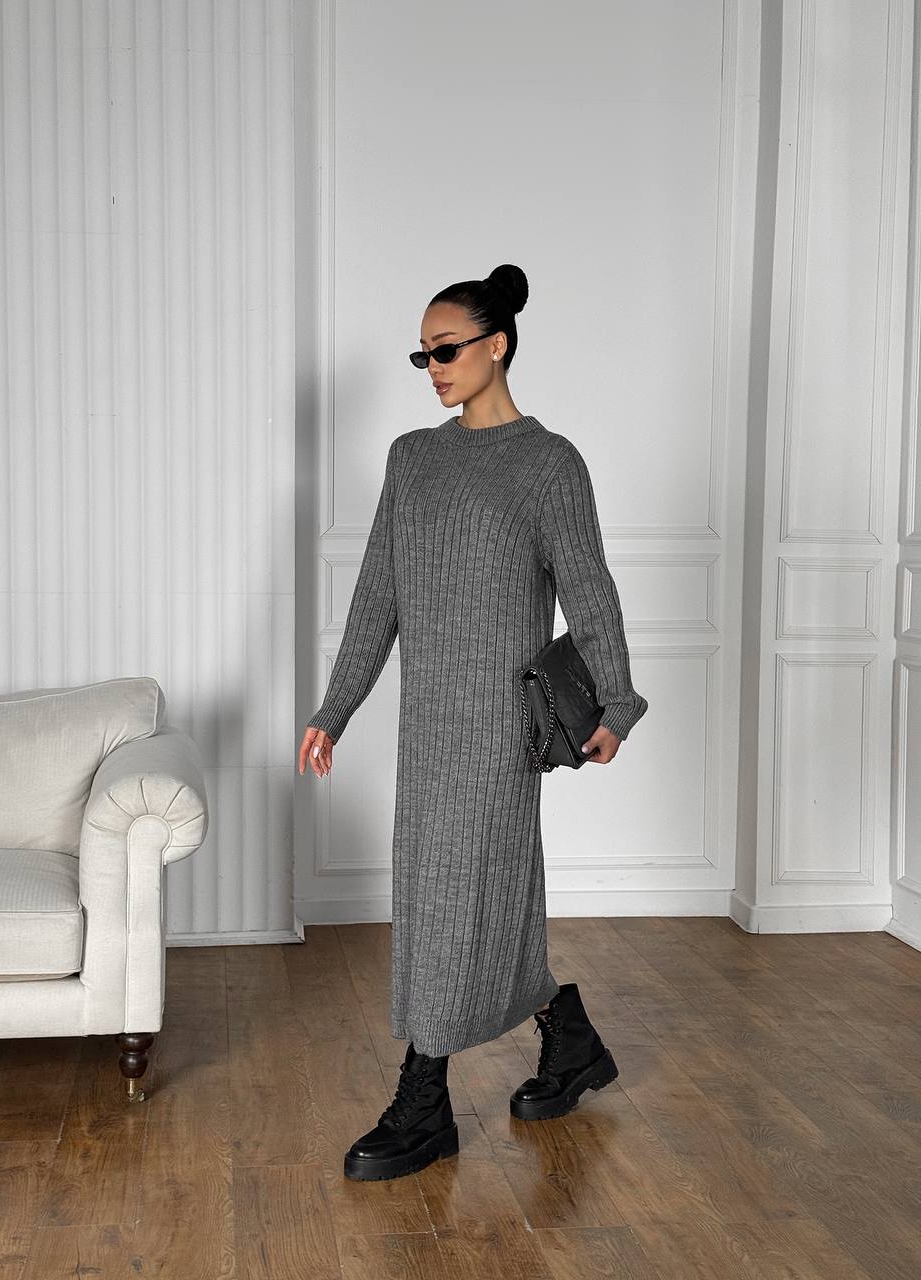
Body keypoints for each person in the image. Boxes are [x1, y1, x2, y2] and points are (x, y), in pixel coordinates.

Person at [298, 264, 648, 1182]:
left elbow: (590, 591)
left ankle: (425, 1101)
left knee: (458, 902)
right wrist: (334, 710)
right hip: (428, 729)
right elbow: (378, 596)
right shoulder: (413, 459)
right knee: (441, 900)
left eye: (447, 348)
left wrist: (618, 703)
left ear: (497, 345)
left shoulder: (547, 462)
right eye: (422, 354)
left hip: (502, 730)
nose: (433, 367)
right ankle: (567, 1035)